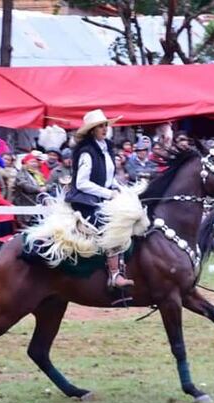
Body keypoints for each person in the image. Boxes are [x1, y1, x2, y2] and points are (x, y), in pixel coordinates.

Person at [65, 108, 133, 289]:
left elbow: (108, 178)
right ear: (92, 130)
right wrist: (108, 193)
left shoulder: (106, 149)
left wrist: (122, 189)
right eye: (100, 126)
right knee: (112, 226)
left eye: (105, 125)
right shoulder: (87, 152)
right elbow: (82, 183)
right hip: (85, 201)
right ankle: (114, 274)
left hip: (102, 198)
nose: (104, 129)